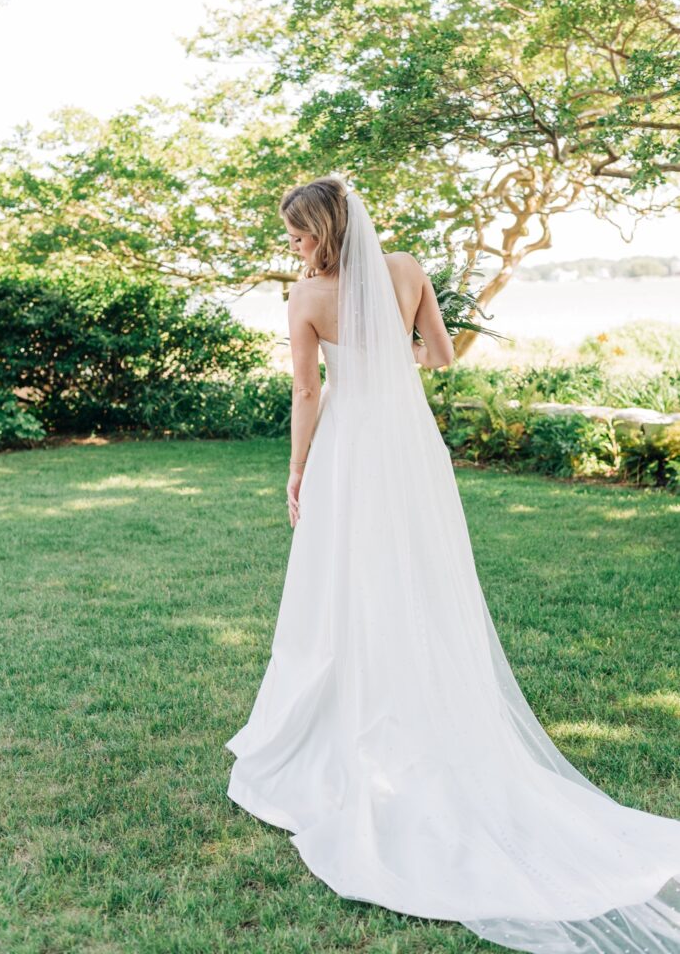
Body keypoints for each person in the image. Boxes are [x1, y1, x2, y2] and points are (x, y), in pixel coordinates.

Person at [225, 175, 680, 954]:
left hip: (349, 451)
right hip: (409, 449)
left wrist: (296, 469)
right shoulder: (406, 270)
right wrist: (382, 345)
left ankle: (355, 708)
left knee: (344, 580)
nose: (293, 245)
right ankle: (406, 690)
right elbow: (437, 354)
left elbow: (308, 388)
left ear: (323, 229)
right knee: (416, 573)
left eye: (298, 233)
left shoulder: (305, 299)